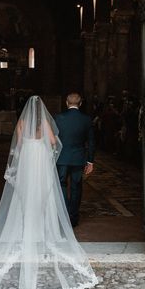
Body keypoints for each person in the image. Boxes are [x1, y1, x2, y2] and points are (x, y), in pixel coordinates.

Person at [0, 96, 98, 289]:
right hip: (40, 159)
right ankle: (43, 230)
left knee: (23, 196)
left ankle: (24, 228)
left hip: (27, 159)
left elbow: (19, 143)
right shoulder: (47, 122)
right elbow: (52, 142)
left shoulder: (22, 122)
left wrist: (27, 147)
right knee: (44, 196)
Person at [54, 93, 95, 227]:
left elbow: (53, 140)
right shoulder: (87, 119)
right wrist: (90, 161)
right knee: (76, 187)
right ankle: (73, 217)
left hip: (62, 158)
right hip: (78, 158)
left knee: (61, 185)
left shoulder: (58, 118)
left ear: (66, 103)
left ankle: (64, 214)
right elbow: (91, 141)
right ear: (80, 103)